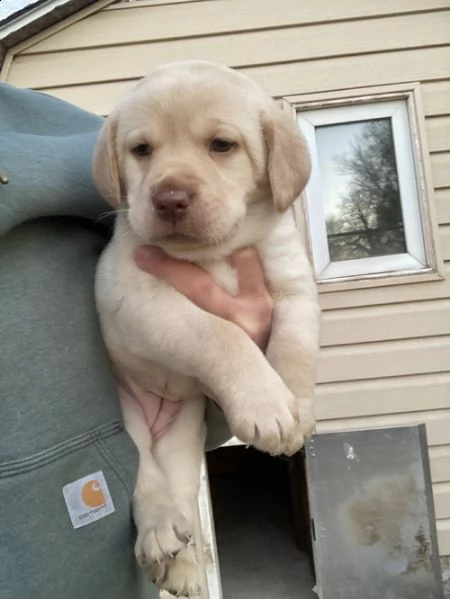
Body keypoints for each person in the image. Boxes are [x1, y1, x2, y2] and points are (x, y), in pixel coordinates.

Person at [0, 82, 272, 599]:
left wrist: (242, 358)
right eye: (143, 151)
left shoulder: (73, 129)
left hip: (108, 544)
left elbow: (170, 283)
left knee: (176, 467)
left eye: (220, 145)